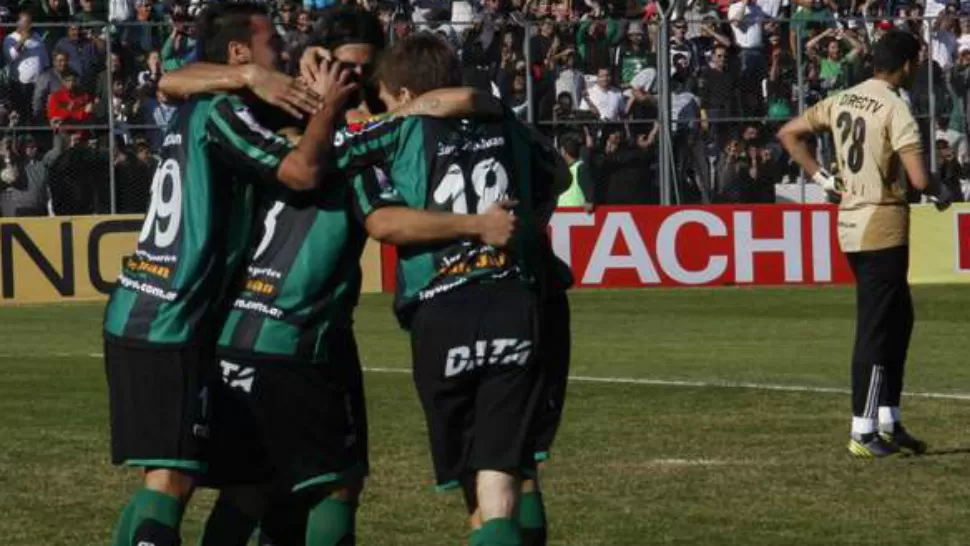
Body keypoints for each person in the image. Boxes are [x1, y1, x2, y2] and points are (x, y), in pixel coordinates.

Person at [157, 7, 512, 545]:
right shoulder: (347, 142)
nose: (353, 81)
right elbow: (385, 220)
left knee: (254, 489)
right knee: (334, 486)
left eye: (362, 72)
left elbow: (173, 83)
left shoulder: (294, 118)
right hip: (298, 332)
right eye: (343, 67)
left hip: (250, 332)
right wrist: (476, 224)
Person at [100, 3, 357, 545]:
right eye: (272, 46)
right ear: (240, 52)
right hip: (169, 317)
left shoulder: (201, 101)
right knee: (171, 478)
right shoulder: (220, 110)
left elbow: (169, 82)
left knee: (168, 477)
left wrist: (277, 73)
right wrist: (325, 109)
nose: (281, 52)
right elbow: (302, 170)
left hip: (147, 308)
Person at [334, 33, 569, 546]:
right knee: (510, 464)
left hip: (440, 305)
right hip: (516, 297)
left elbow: (334, 159)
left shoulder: (396, 130)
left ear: (399, 94)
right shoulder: (505, 122)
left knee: (479, 473)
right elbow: (556, 172)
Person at [777, 30, 953, 459]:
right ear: (908, 65)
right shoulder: (896, 108)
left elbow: (789, 133)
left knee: (899, 319)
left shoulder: (846, 97)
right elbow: (918, 178)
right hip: (883, 221)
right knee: (878, 326)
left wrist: (821, 178)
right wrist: (943, 191)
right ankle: (864, 428)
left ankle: (889, 421)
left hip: (851, 221)